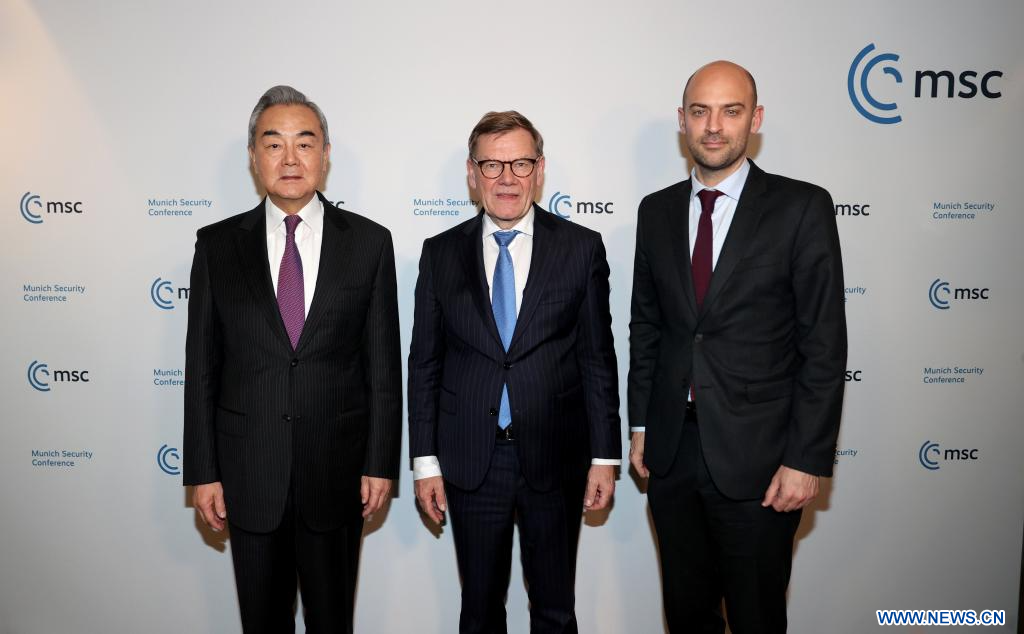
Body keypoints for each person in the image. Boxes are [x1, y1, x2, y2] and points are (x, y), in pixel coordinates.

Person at [627, 61, 847, 633]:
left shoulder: (801, 207)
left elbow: (823, 344)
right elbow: (647, 327)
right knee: (687, 615)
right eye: (700, 111)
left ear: (756, 118)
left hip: (762, 461)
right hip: (672, 453)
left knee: (755, 617)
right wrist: (642, 425)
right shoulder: (655, 211)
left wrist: (806, 459)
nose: (714, 126)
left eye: (731, 111)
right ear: (682, 120)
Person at [183, 85, 401, 634]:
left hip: (338, 473)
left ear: (325, 155)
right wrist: (203, 472)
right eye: (273, 144)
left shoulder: (370, 243)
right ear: (253, 157)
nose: (289, 158)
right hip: (248, 473)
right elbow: (202, 369)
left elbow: (382, 367)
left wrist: (380, 462)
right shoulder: (216, 246)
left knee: (333, 622)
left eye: (304, 143)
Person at [408, 111, 621, 633]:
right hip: (471, 460)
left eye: (520, 163)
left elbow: (597, 358)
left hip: (556, 456)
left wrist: (604, 456)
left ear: (540, 169)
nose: (507, 178)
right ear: (472, 172)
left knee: (555, 610)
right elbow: (425, 364)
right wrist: (425, 462)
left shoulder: (581, 248)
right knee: (480, 610)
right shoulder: (440, 254)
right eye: (492, 164)